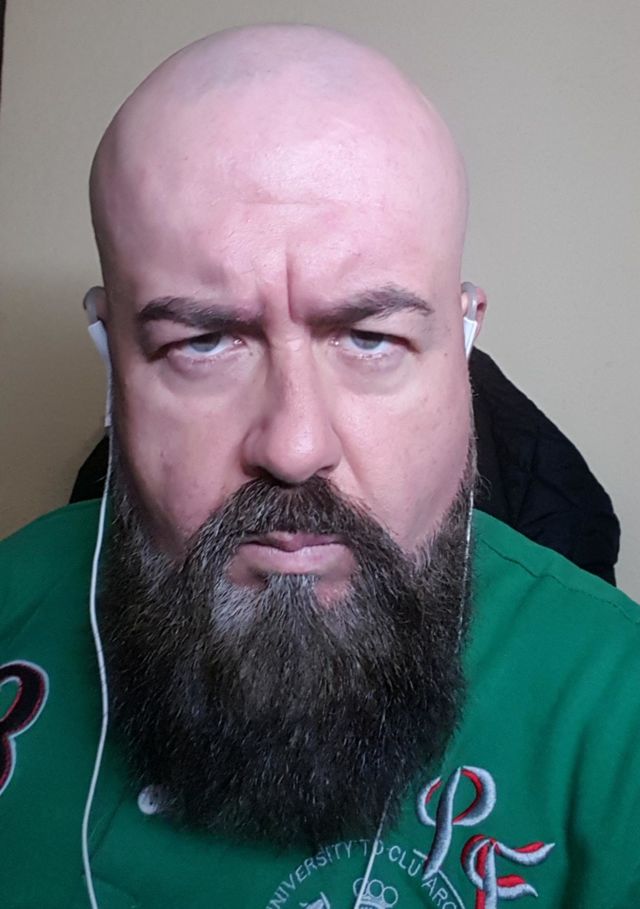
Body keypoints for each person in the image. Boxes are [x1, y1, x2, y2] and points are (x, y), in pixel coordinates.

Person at [1, 24, 638, 909]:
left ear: (461, 347)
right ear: (112, 359)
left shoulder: (617, 713)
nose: (295, 446)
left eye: (370, 337)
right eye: (203, 341)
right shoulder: (13, 597)